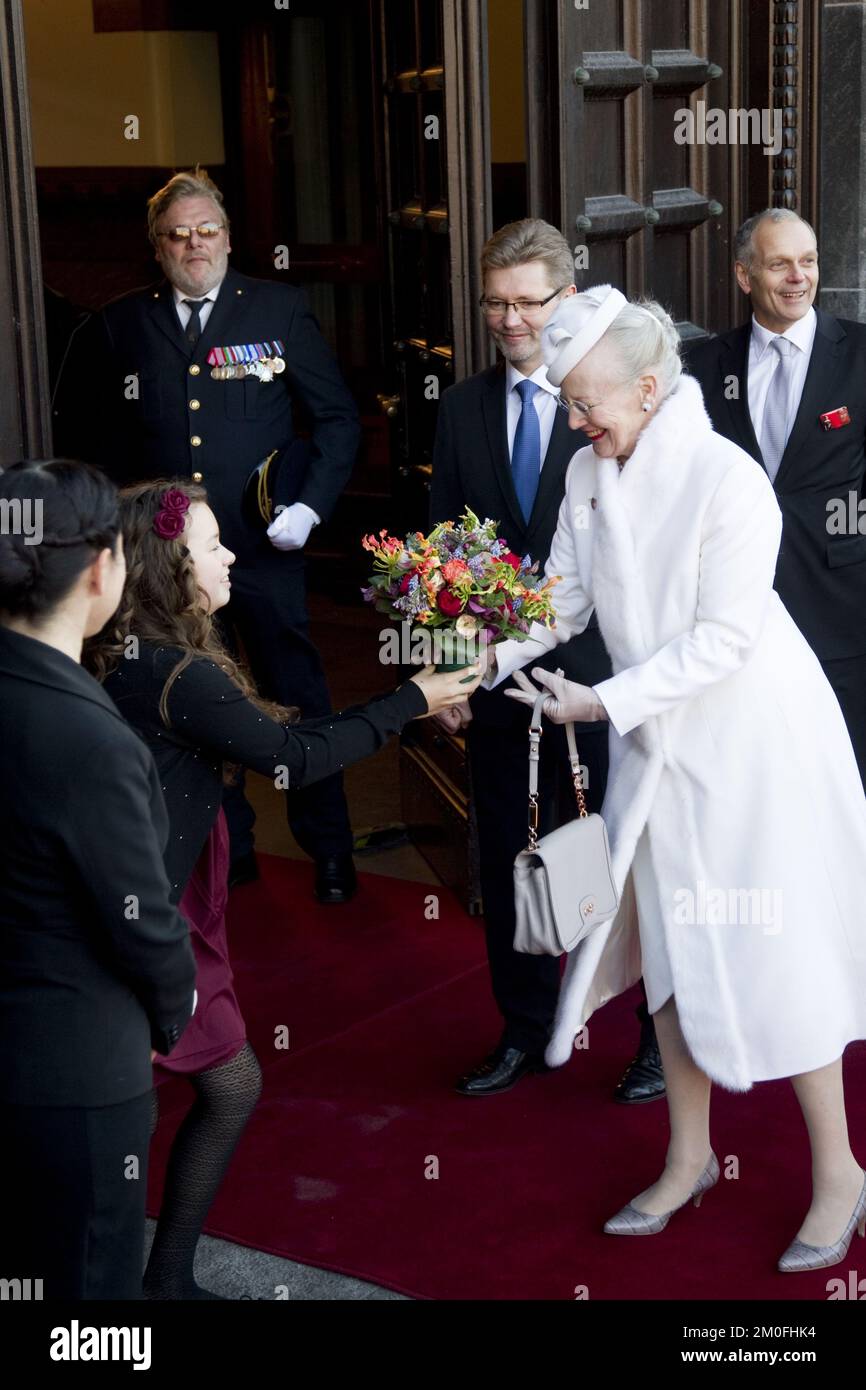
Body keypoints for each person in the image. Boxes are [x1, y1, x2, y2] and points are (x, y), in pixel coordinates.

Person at [487, 285, 866, 1270]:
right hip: (652, 748)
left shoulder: (726, 480)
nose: (574, 423)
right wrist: (477, 656)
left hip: (753, 752)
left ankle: (839, 1175)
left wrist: (600, 703)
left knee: (775, 956)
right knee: (663, 946)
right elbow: (557, 599)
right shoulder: (583, 472)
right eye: (567, 403)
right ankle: (687, 1155)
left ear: (648, 388)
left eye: (586, 404)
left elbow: (723, 640)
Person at [84, 478, 482, 1299]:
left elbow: (271, 732)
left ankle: (160, 1279)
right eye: (212, 545)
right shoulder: (176, 672)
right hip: (144, 914)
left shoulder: (140, 652)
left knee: (216, 1085)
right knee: (140, 1108)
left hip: (159, 892)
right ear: (170, 568)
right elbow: (290, 759)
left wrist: (401, 702)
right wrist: (412, 698)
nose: (232, 554)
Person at [54, 166, 361, 904]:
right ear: (157, 248)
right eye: (177, 235)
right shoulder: (123, 324)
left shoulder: (279, 310)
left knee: (297, 695)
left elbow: (336, 420)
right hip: (162, 568)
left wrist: (310, 508)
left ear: (228, 235)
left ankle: (330, 850)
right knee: (186, 704)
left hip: (262, 549)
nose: (195, 244)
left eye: (207, 230)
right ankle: (230, 853)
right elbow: (87, 436)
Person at [430, 219, 663, 1103]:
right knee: (511, 857)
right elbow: (441, 549)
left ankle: (654, 1039)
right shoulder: (457, 409)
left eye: (529, 301)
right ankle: (524, 1030)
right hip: (502, 676)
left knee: (630, 859)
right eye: (496, 302)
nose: (511, 319)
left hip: (613, 680)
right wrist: (449, 664)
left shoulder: (624, 406)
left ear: (568, 298)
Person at [0, 459, 196, 1300]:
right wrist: (172, 1007)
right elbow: (142, 921)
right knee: (90, 1283)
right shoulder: (91, 738)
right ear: (99, 569)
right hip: (73, 1070)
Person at [684, 207, 866, 787]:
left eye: (808, 262)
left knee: (845, 779)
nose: (798, 277)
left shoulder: (861, 354)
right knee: (759, 780)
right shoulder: (704, 366)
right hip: (740, 613)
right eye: (780, 264)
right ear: (745, 277)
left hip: (840, 608)